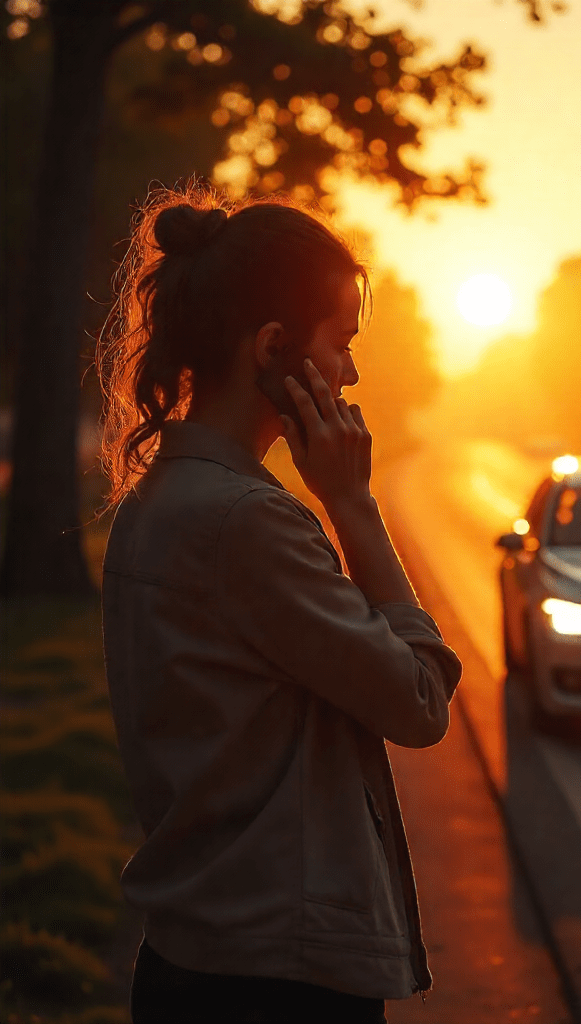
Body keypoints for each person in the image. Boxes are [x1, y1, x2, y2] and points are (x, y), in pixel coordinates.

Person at [96, 186, 462, 1024]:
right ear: (272, 346)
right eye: (342, 343)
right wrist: (354, 507)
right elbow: (419, 701)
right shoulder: (247, 521)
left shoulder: (159, 500)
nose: (352, 373)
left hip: (194, 954)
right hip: (275, 978)